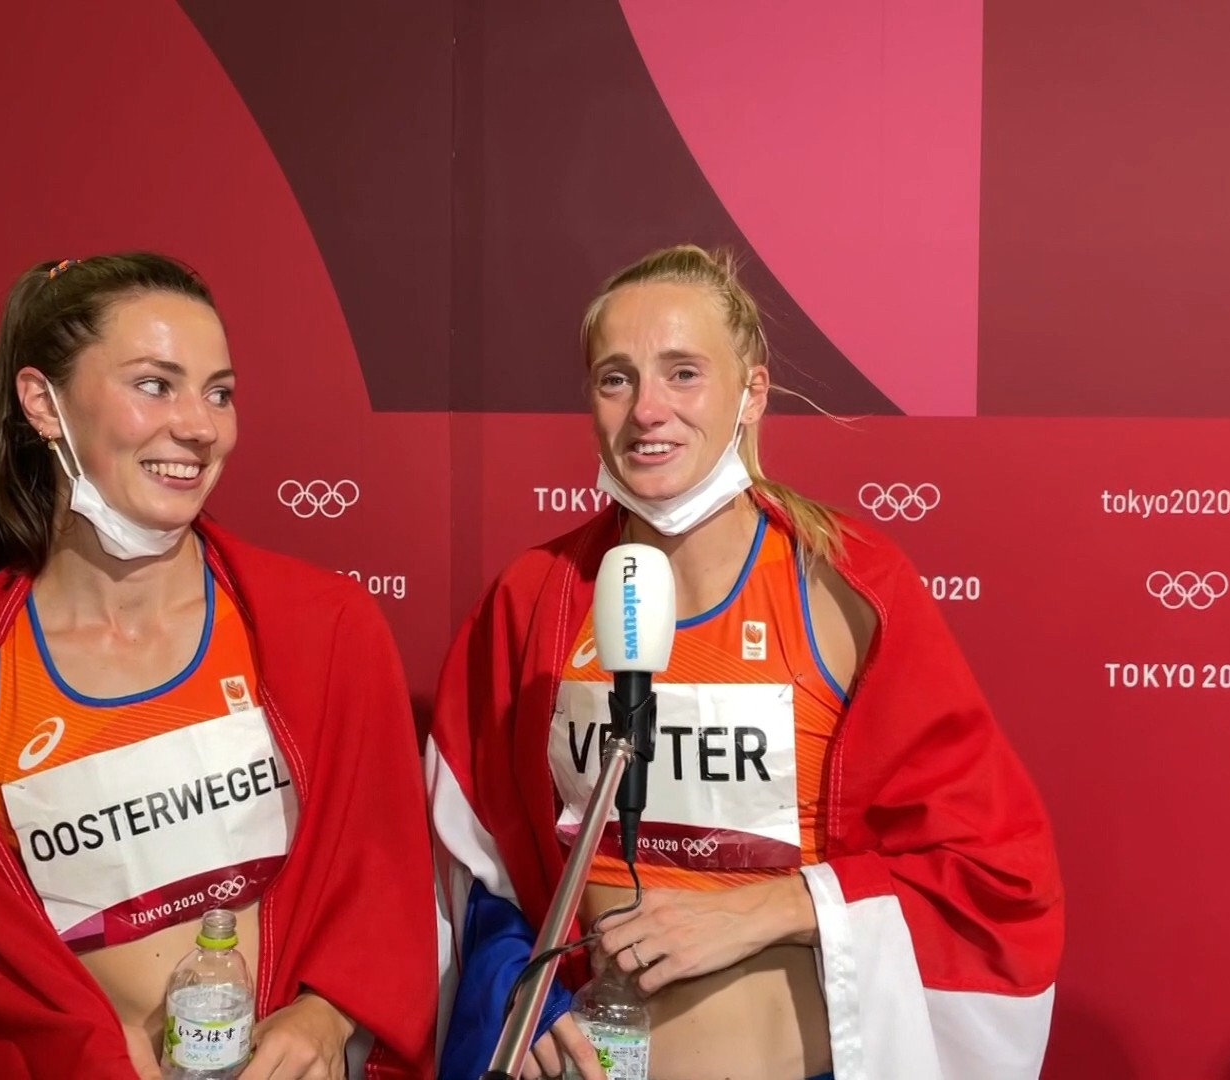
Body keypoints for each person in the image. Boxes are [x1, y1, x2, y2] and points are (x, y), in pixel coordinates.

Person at [429, 244, 1064, 1080]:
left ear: (752, 393)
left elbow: (988, 874)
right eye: (616, 378)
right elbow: (477, 868)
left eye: (683, 374)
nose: (647, 410)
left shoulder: (846, 590)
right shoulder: (532, 599)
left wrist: (772, 906)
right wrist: (526, 991)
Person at [0, 252, 438, 1079]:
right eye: (156, 385)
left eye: (219, 393)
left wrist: (328, 1013)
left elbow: (385, 883)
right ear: (42, 404)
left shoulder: (325, 631)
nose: (200, 426)